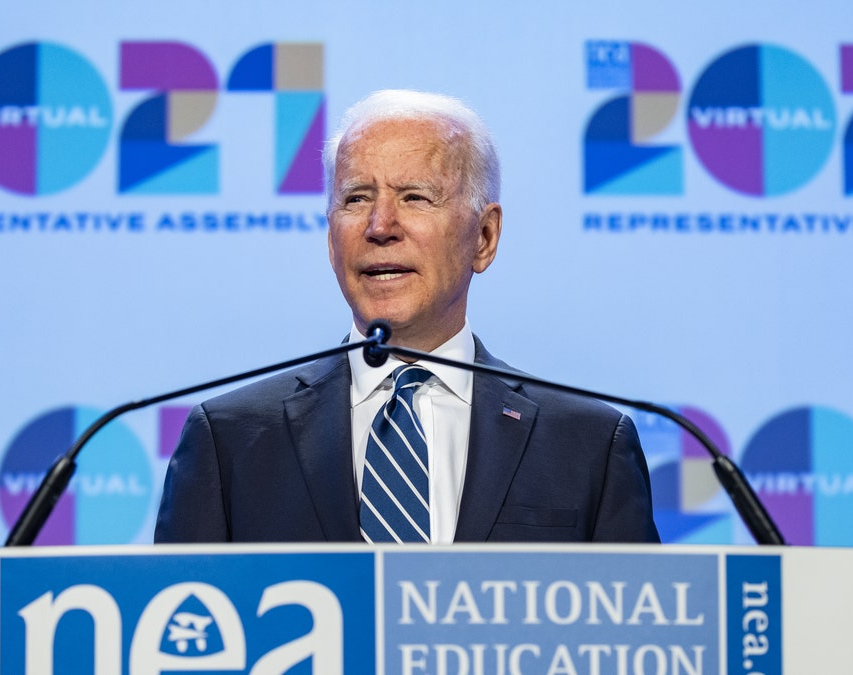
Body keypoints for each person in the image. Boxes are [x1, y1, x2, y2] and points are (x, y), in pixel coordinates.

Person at [155, 90, 658, 544]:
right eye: (356, 199)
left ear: (484, 237)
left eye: (415, 197)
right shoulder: (230, 439)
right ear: (331, 238)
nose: (380, 227)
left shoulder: (587, 445)